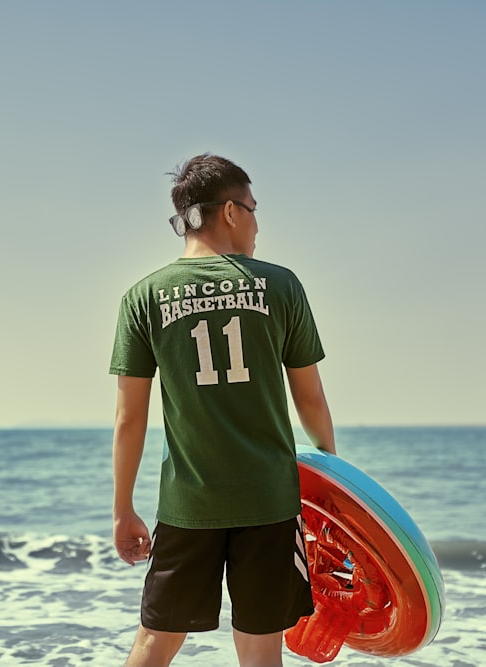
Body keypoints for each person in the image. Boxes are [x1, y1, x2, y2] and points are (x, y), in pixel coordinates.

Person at [109, 153, 336, 667]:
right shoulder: (281, 285)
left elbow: (129, 418)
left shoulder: (143, 297)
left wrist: (123, 508)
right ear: (231, 212)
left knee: (155, 640)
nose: (257, 222)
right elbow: (311, 399)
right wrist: (330, 488)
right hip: (270, 502)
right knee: (260, 650)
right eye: (253, 209)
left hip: (189, 506)